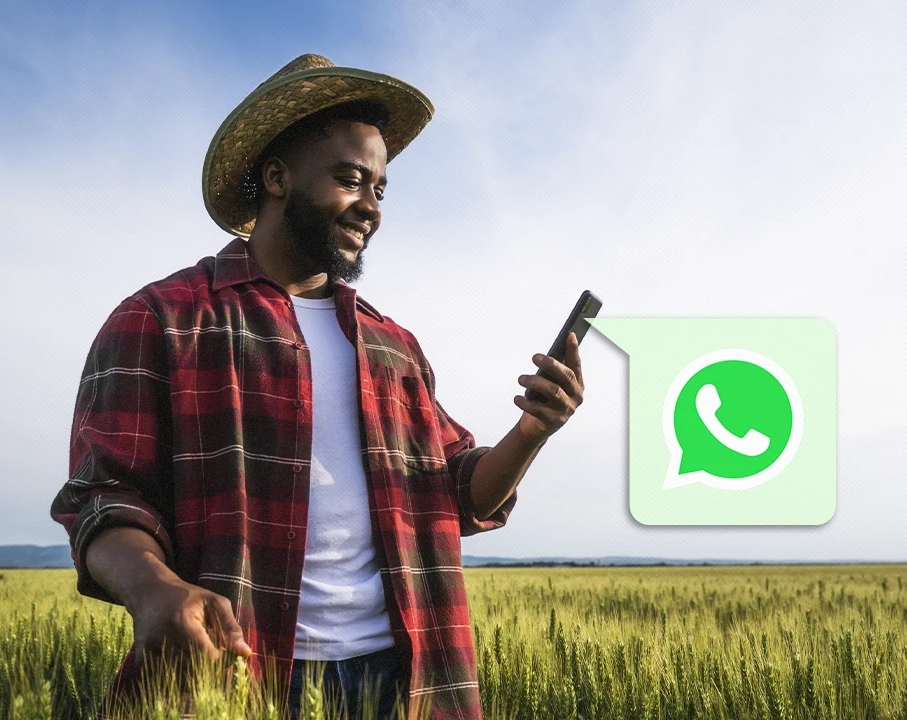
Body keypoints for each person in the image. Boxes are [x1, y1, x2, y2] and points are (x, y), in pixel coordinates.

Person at [49, 54, 585, 719]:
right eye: (351, 179)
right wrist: (154, 589)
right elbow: (103, 495)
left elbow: (456, 493)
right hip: (239, 675)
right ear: (276, 177)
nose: (371, 207)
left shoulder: (394, 346)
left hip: (406, 676)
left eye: (381, 189)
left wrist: (533, 433)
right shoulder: (163, 319)